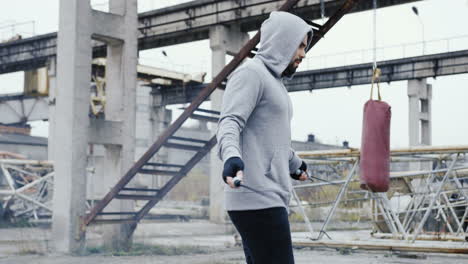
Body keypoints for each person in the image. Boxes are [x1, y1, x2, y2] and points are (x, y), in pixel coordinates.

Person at [216, 11, 313, 264]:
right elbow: (229, 122)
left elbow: (271, 137)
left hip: (270, 196)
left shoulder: (274, 83)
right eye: (299, 45)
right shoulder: (251, 74)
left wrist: (294, 164)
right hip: (256, 196)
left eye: (305, 46)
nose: (303, 54)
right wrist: (231, 157)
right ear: (282, 41)